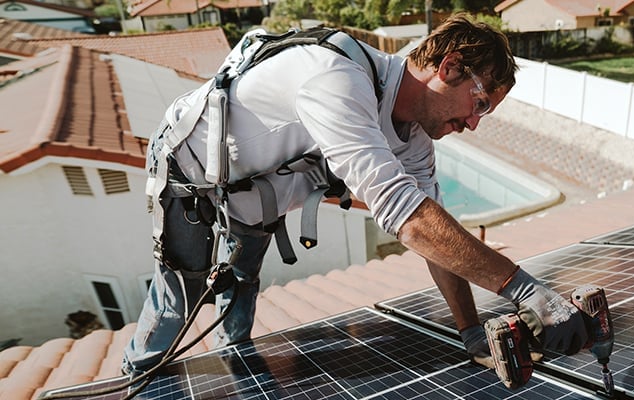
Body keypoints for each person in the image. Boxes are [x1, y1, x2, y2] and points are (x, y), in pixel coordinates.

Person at [122, 13, 587, 376]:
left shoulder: (415, 141)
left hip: (256, 194)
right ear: (448, 68)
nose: (474, 123)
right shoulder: (337, 79)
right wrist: (532, 294)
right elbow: (407, 217)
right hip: (188, 167)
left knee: (240, 292)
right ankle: (134, 381)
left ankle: (238, 373)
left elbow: (436, 237)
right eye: (479, 102)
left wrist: (469, 332)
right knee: (178, 301)